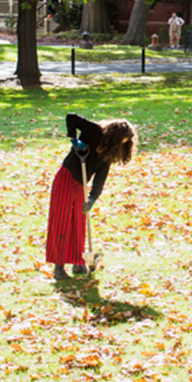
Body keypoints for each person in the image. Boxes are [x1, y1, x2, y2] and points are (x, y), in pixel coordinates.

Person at [46, 114, 138, 280]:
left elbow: (100, 179)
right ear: (114, 137)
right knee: (62, 223)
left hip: (80, 186)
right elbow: (71, 118)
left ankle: (77, 262)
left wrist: (93, 198)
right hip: (66, 179)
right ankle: (58, 268)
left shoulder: (108, 153)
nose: (122, 146)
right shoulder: (95, 131)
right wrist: (74, 140)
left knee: (78, 225)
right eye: (121, 141)